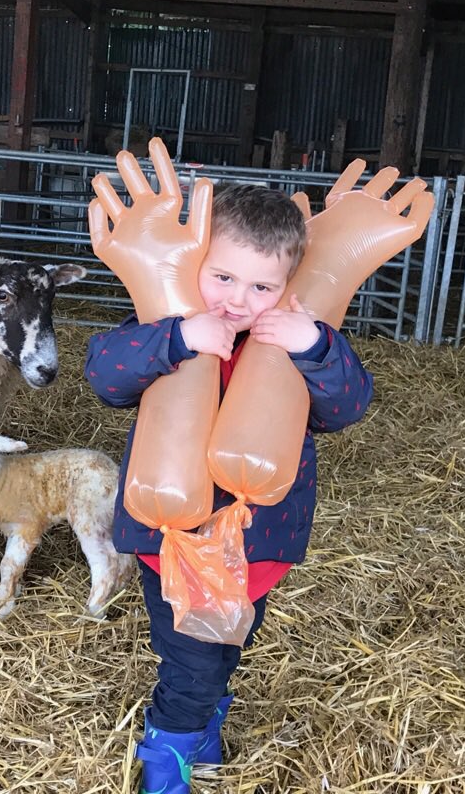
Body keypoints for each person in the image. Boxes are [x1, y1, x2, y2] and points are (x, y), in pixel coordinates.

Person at [84, 184, 375, 794]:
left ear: (288, 284)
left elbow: (347, 406)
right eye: (223, 277)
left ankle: (203, 729)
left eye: (262, 287)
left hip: (259, 544)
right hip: (174, 546)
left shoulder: (299, 337)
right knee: (191, 668)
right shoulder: (170, 324)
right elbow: (105, 375)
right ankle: (168, 765)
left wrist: (315, 345)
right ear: (196, 262)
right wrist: (177, 338)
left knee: (226, 651)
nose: (239, 300)